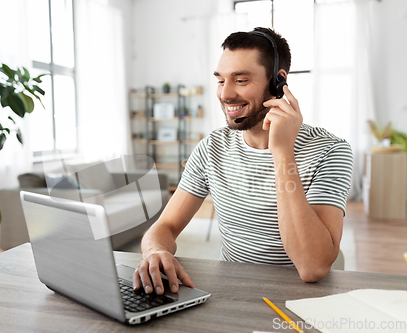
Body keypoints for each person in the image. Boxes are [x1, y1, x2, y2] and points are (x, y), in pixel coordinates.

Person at [133, 27, 353, 295]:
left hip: (302, 298)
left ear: (278, 82)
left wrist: (282, 151)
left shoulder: (330, 151)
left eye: (241, 80)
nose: (225, 94)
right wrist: (155, 250)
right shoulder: (211, 148)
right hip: (233, 293)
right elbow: (166, 226)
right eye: (220, 80)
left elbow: (312, 266)